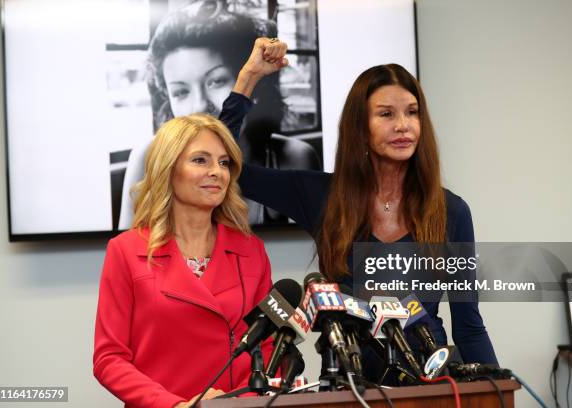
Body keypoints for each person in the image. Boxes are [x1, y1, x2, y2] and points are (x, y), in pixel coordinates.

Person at [219, 38, 498, 378]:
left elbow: (469, 326)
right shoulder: (321, 195)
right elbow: (230, 167)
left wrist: (493, 387)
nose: (403, 125)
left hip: (431, 382)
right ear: (360, 129)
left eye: (412, 112)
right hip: (350, 383)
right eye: (386, 114)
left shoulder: (451, 211)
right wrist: (249, 77)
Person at [94, 113, 275, 407]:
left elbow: (269, 349)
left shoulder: (251, 249)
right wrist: (176, 406)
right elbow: (109, 359)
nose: (217, 171)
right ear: (168, 169)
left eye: (224, 162)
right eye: (200, 160)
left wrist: (238, 402)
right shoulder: (125, 251)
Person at [117, 2, 320, 229]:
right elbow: (126, 258)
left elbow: (317, 254)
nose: (199, 105)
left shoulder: (294, 158)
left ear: (253, 83)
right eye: (181, 91)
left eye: (216, 81)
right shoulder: (148, 158)